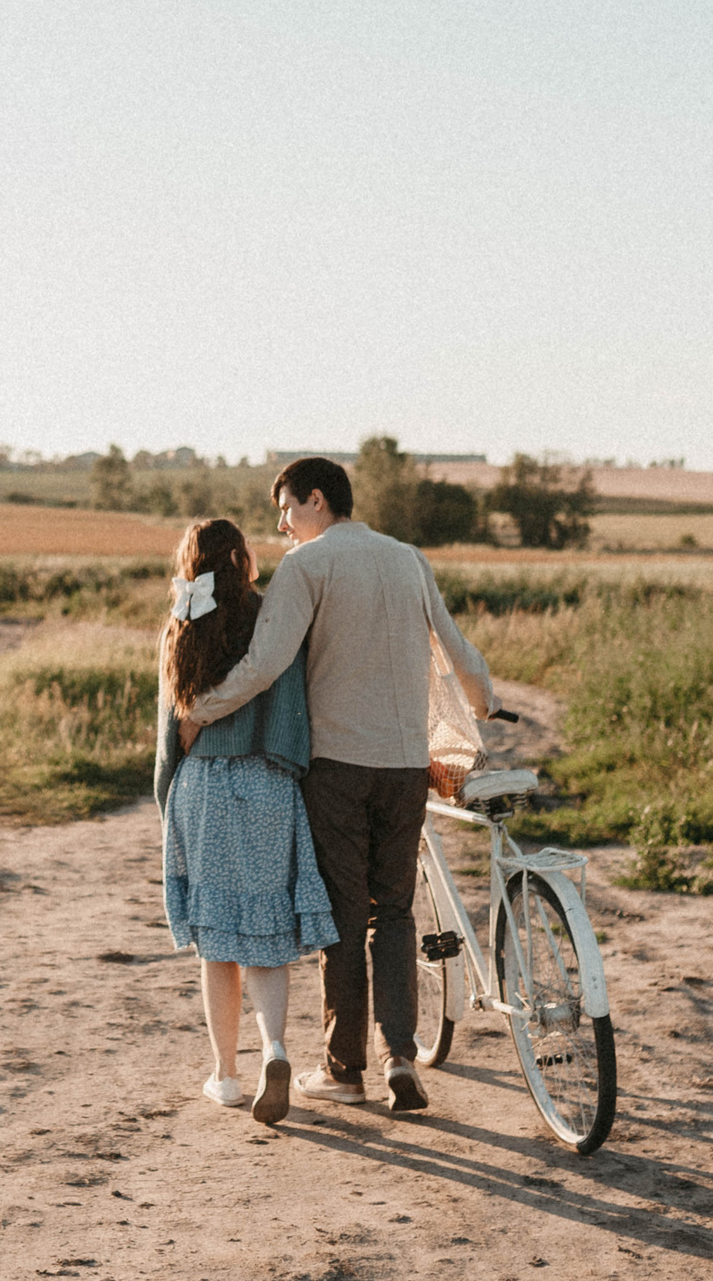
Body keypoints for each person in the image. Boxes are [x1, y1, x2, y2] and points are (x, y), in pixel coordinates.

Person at [174, 457, 494, 1115]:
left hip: (338, 768)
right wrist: (483, 700)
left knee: (346, 914)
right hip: (405, 766)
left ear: (316, 499)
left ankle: (345, 1070)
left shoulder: (306, 566)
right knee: (395, 910)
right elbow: (454, 645)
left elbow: (265, 663)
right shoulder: (408, 558)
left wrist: (202, 709)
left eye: (286, 510)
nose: (282, 526)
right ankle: (400, 1054)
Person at [154, 517, 339, 1125]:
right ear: (241, 559)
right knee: (265, 933)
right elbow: (293, 703)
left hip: (203, 785)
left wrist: (168, 802)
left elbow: (168, 735)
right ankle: (277, 1050)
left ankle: (226, 1077)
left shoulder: (181, 621)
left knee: (216, 944)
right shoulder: (272, 616)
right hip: (266, 780)